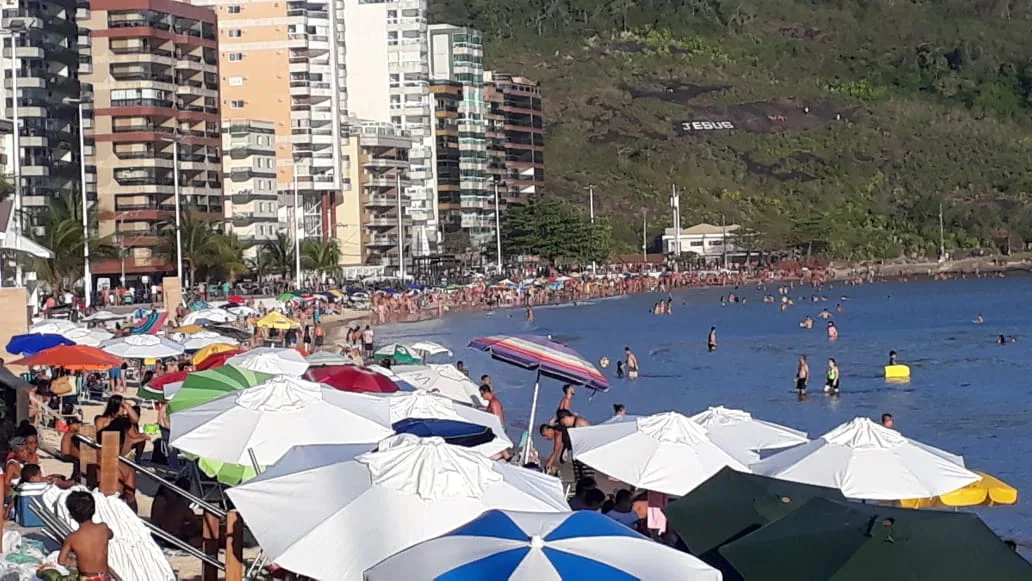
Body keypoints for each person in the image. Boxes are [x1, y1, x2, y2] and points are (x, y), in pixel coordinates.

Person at [59, 491, 116, 581]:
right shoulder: (103, 528)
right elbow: (111, 534)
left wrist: (75, 561)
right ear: (93, 510)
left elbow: (61, 560)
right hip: (103, 577)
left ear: (71, 515)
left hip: (85, 578)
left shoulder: (72, 538)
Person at [151, 477, 203, 549]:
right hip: (174, 538)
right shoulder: (179, 503)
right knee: (201, 537)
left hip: (161, 533)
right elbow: (195, 522)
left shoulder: (163, 500)